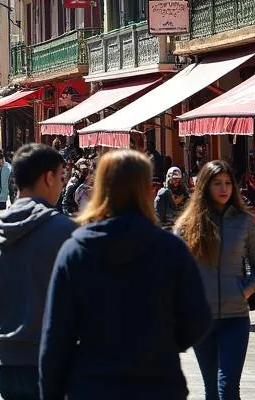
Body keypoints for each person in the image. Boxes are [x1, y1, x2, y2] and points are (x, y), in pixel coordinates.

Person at [40, 150, 212, 400]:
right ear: (145, 188)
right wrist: (162, 344)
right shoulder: (170, 248)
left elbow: (56, 335)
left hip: (94, 382)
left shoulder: (76, 250)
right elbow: (198, 318)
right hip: (158, 382)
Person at [0, 144, 75, 400]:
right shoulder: (65, 231)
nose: (62, 184)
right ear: (48, 177)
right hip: (52, 358)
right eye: (61, 177)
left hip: (6, 360)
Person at [175, 159, 255, 400]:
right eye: (217, 183)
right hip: (201, 320)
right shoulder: (187, 225)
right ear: (205, 186)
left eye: (228, 183)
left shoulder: (244, 222)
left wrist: (247, 289)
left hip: (235, 318)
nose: (224, 188)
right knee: (211, 390)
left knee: (227, 388)